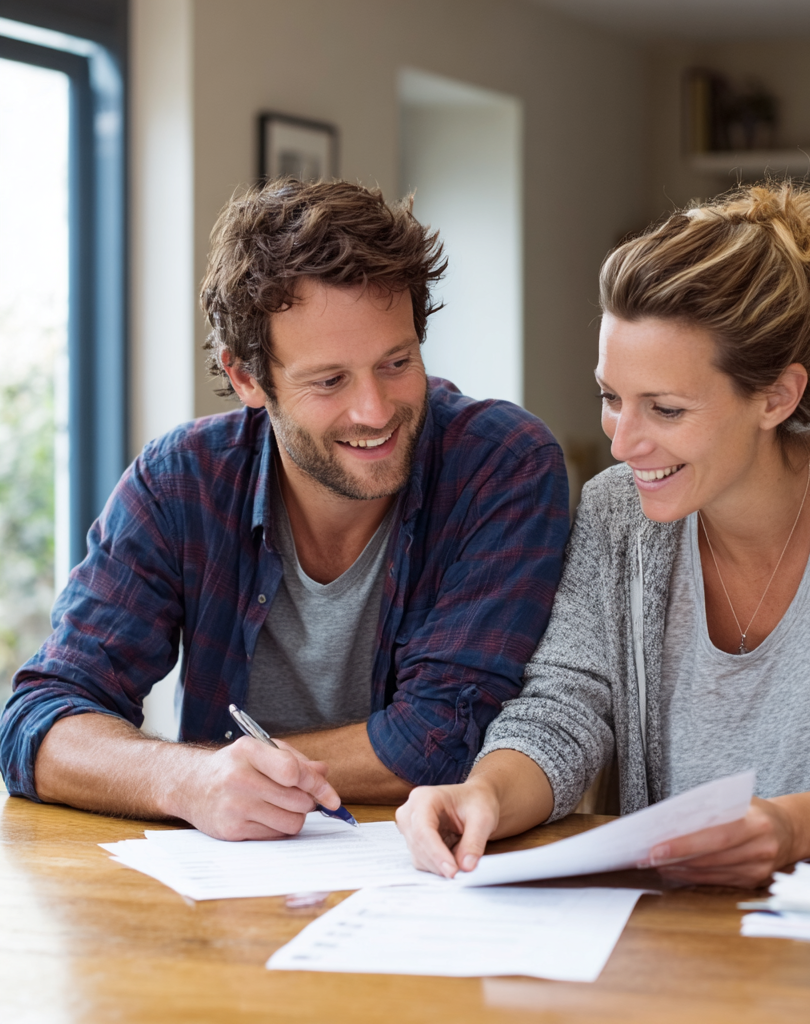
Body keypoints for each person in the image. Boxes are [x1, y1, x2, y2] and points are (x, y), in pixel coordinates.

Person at [396, 182, 810, 887]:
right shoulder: (615, 516)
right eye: (611, 398)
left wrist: (787, 830)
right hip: (697, 928)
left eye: (664, 409)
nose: (623, 442)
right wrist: (483, 793)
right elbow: (561, 710)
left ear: (776, 397)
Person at [0, 179, 570, 840]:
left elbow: (438, 738)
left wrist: (234, 772)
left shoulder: (501, 466)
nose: (375, 411)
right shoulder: (181, 479)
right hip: (229, 890)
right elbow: (37, 721)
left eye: (396, 361)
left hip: (439, 880)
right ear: (245, 377)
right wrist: (187, 782)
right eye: (330, 380)